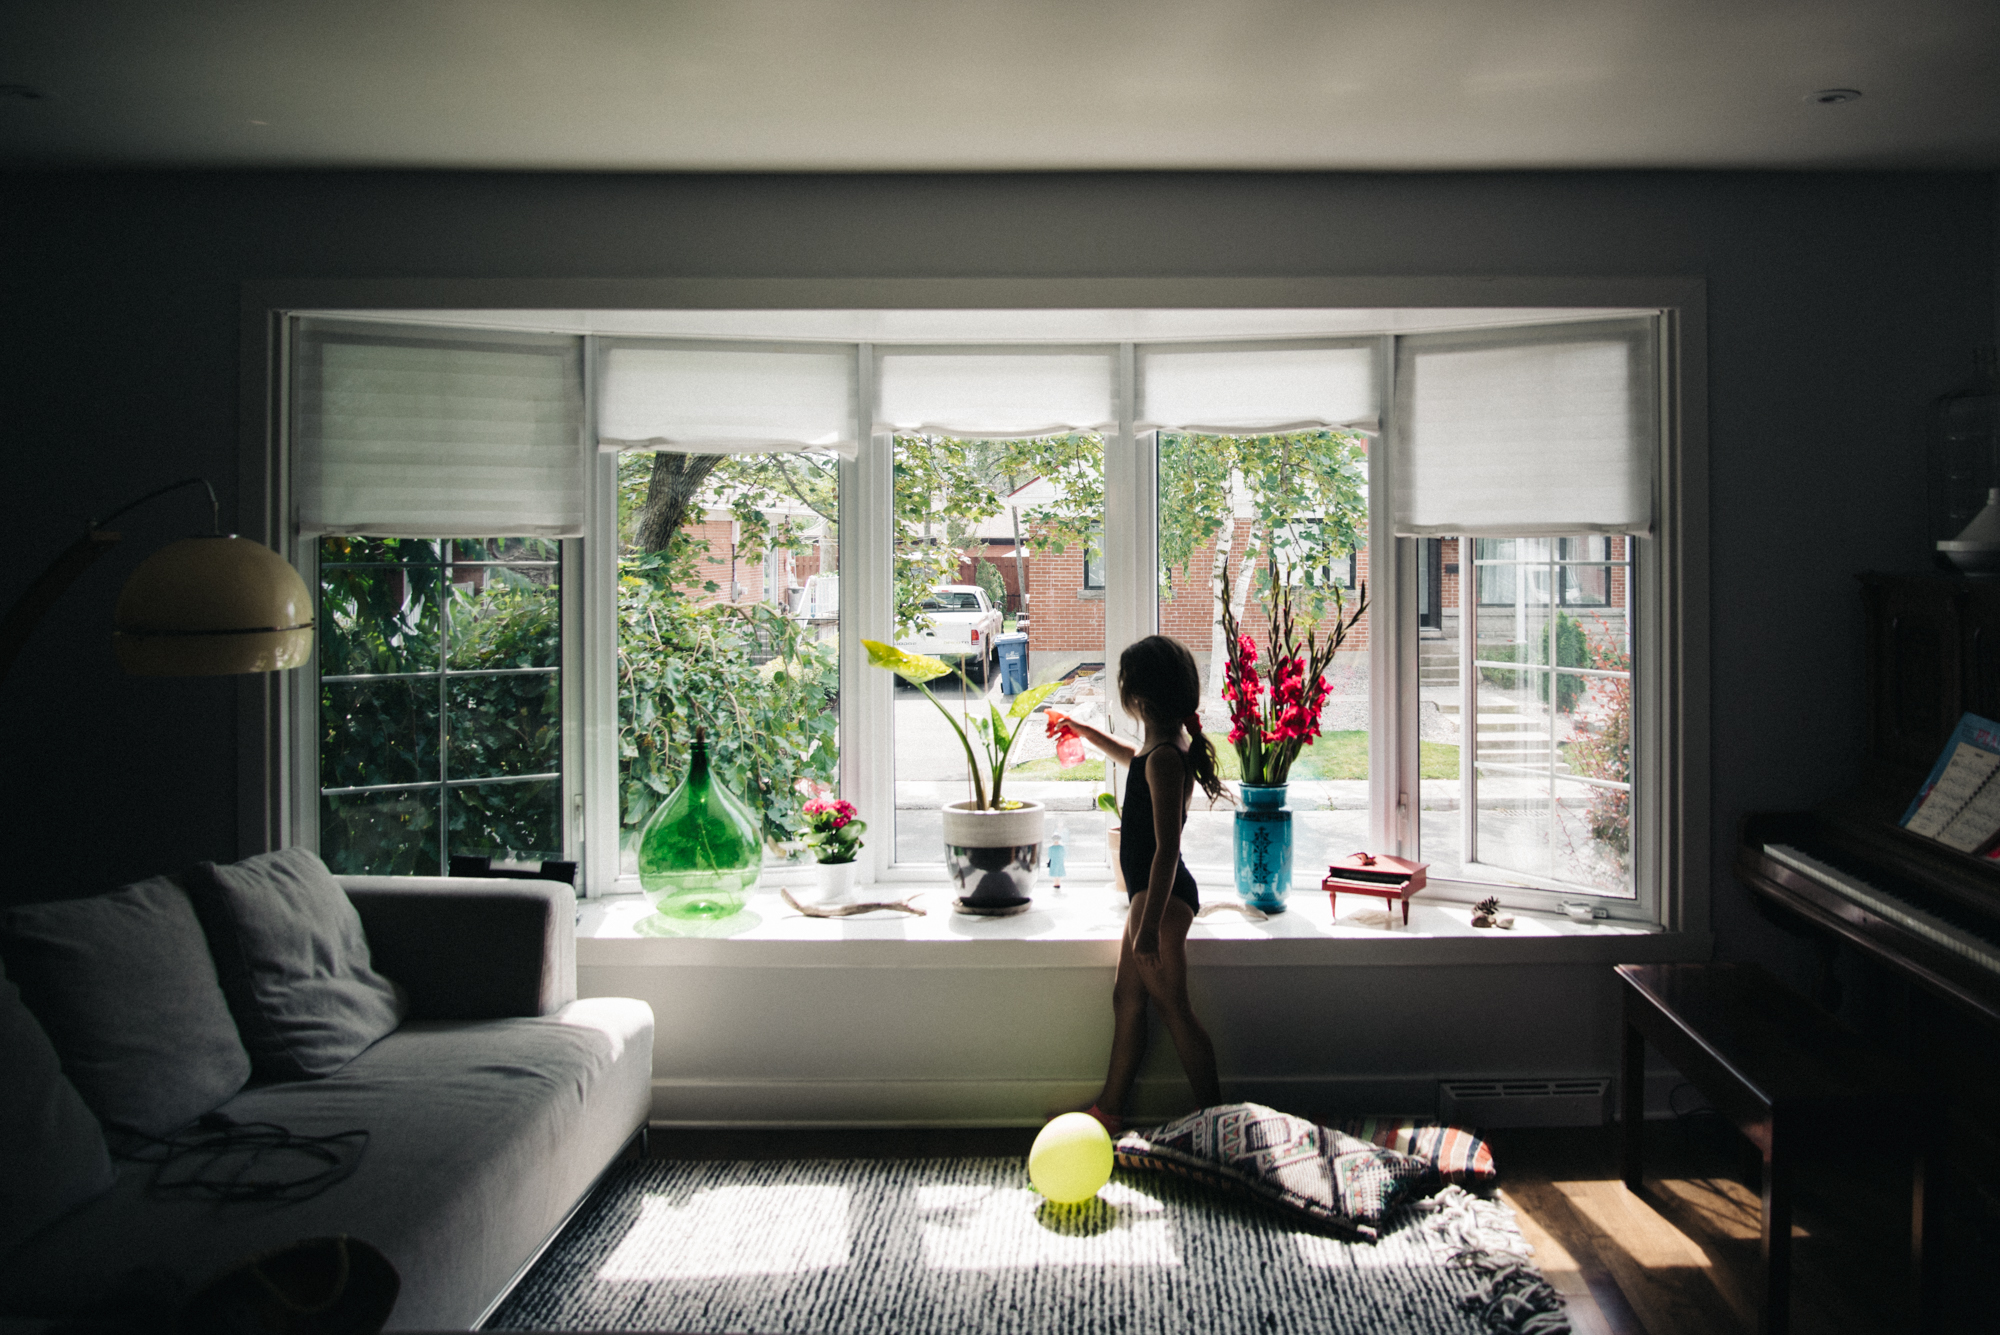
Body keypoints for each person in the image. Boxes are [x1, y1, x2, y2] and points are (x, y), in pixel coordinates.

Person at [1053, 635, 1226, 1134]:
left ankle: (1217, 1119)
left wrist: (1147, 927)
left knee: (1175, 1008)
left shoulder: (1168, 759)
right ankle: (1110, 1108)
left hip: (1161, 899)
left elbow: (1167, 850)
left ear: (1140, 700)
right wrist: (1086, 731)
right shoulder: (1161, 746)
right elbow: (1134, 759)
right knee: (1127, 998)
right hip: (1149, 898)